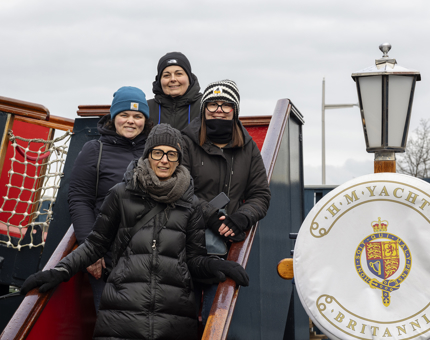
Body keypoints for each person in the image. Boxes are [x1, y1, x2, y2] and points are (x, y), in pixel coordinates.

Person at [21, 124, 249, 340]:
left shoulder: (190, 204)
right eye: (158, 153)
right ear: (147, 155)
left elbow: (194, 259)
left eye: (172, 154)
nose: (164, 160)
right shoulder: (121, 194)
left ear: (179, 160)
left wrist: (219, 266)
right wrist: (59, 271)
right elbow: (95, 245)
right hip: (121, 315)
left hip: (173, 318)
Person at [182, 79, 271, 324]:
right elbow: (179, 188)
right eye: (212, 104)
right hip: (183, 238)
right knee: (179, 319)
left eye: (226, 105)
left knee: (215, 317)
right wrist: (209, 215)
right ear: (203, 108)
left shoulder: (248, 147)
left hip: (223, 243)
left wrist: (242, 217)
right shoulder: (186, 141)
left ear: (235, 110)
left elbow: (260, 194)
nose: (219, 110)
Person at [68, 86, 152, 312]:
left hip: (150, 259)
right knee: (112, 327)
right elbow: (79, 199)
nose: (131, 121)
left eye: (138, 116)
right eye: (124, 115)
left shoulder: (155, 151)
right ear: (113, 117)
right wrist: (90, 252)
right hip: (108, 258)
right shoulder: (95, 150)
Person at [147, 52, 202, 130]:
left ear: (189, 78)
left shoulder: (205, 105)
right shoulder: (147, 108)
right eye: (166, 75)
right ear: (159, 80)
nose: (173, 79)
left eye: (179, 74)